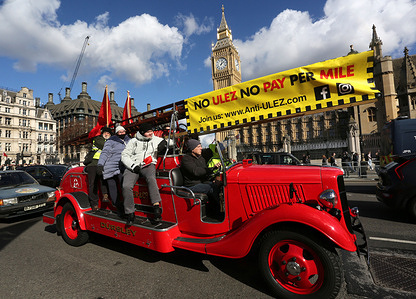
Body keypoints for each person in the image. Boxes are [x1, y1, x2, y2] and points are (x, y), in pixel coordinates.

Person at [121, 123, 164, 225]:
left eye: (151, 131)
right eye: (148, 132)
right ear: (142, 133)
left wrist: (165, 143)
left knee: (151, 178)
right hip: (134, 165)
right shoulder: (133, 141)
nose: (151, 133)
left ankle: (156, 208)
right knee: (126, 185)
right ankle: (130, 212)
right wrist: (133, 166)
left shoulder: (155, 139)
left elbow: (169, 141)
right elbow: (124, 155)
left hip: (148, 164)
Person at [180, 139, 222, 217]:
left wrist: (213, 177)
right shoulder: (186, 159)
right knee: (211, 188)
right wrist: (211, 169)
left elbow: (204, 173)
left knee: (219, 185)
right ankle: (216, 214)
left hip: (201, 182)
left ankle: (219, 209)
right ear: (192, 149)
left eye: (201, 146)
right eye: (198, 146)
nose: (201, 148)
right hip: (191, 186)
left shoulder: (201, 158)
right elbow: (196, 172)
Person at [97, 125, 131, 217]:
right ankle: (118, 207)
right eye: (119, 132)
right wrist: (100, 165)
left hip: (122, 166)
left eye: (123, 131)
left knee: (124, 186)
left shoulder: (129, 140)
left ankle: (126, 206)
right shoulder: (111, 141)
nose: (121, 133)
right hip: (110, 166)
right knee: (112, 187)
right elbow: (105, 153)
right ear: (116, 133)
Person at [85, 126, 112, 211]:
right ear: (102, 133)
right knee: (93, 184)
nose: (107, 134)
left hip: (103, 164)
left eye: (108, 133)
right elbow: (104, 146)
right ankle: (94, 203)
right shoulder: (97, 139)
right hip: (93, 164)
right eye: (105, 133)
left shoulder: (110, 141)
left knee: (103, 180)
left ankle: (105, 195)